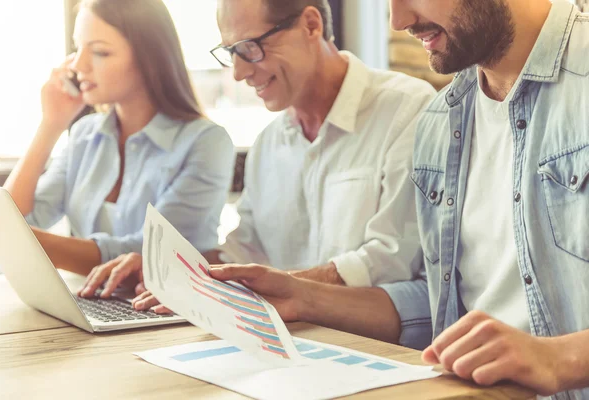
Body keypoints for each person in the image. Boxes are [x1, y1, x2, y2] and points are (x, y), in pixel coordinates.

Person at [206, 0, 589, 397]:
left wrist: (560, 358)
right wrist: (302, 296)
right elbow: (433, 307)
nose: (399, 20)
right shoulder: (441, 121)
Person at [78, 0, 435, 305]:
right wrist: (168, 267)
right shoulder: (269, 143)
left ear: (311, 25)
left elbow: (390, 259)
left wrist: (238, 285)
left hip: (373, 350)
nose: (238, 73)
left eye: (250, 47)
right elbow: (243, 251)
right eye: (231, 53)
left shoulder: (405, 109)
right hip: (279, 339)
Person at [4, 0, 234, 276]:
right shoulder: (84, 135)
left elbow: (148, 252)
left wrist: (10, 236)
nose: (79, 65)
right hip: (89, 299)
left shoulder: (206, 142)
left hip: (166, 310)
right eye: (78, 48)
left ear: (149, 59)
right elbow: (22, 218)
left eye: (100, 52)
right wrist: (50, 125)